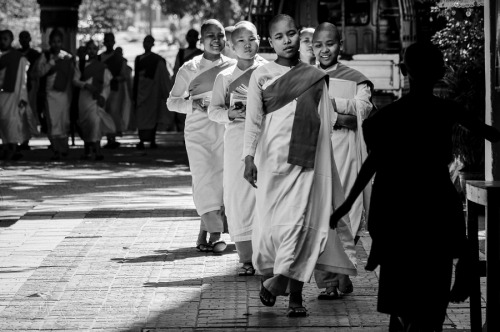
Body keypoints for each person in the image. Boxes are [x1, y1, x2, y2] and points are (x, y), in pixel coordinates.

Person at [330, 42, 500, 332]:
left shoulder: (386, 118)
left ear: (403, 70)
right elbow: (491, 134)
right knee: (432, 298)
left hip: (398, 214)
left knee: (402, 301)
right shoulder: (447, 110)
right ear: (441, 71)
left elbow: (372, 164)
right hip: (436, 208)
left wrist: (345, 205)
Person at [243, 14, 357, 317]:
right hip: (270, 163)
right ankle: (277, 279)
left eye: (292, 34)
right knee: (273, 232)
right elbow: (253, 120)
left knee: (300, 228)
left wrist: (325, 172)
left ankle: (293, 296)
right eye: (279, 36)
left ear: (299, 37)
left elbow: (325, 128)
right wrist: (248, 157)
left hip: (305, 165)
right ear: (271, 42)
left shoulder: (315, 76)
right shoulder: (262, 74)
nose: (287, 40)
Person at [312, 22, 374, 299]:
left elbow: (363, 111)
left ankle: (342, 272)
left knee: (347, 216)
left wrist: (330, 106)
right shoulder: (304, 76)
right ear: (312, 47)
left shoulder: (356, 78)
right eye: (318, 44)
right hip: (314, 157)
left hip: (347, 156)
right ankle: (329, 282)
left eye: (330, 44)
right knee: (319, 218)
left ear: (340, 45)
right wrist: (341, 116)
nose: (325, 50)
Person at [167, 19, 236, 254]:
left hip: (225, 129)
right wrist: (194, 104)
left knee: (222, 180)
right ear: (201, 41)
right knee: (204, 179)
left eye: (220, 35)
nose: (216, 40)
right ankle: (216, 233)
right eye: (210, 36)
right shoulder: (190, 68)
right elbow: (171, 102)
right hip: (198, 132)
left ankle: (205, 232)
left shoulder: (235, 66)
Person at [208, 21, 267, 275]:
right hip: (235, 142)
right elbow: (213, 111)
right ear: (231, 46)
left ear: (259, 40)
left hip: (266, 139)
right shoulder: (225, 76)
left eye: (251, 39)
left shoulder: (269, 71)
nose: (247, 45)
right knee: (237, 195)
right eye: (240, 41)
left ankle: (266, 255)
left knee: (265, 194)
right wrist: (229, 114)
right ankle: (245, 258)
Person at [73, 40, 114, 161]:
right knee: (85, 124)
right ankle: (87, 151)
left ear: (98, 51)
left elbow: (107, 85)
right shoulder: (80, 65)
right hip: (84, 99)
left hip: (97, 100)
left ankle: (97, 150)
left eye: (94, 49)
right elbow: (75, 81)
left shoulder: (102, 67)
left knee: (95, 122)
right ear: (86, 51)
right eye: (89, 49)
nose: (92, 51)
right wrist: (85, 85)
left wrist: (103, 96)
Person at [36, 29, 74, 160]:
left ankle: (64, 148)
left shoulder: (67, 57)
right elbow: (39, 73)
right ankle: (56, 149)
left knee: (64, 121)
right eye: (53, 42)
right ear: (50, 42)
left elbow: (73, 76)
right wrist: (52, 63)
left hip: (63, 94)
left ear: (62, 42)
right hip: (49, 94)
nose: (56, 44)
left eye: (58, 42)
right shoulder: (45, 57)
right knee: (52, 121)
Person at [133, 35, 170, 149]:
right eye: (145, 42)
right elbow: (136, 77)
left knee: (153, 115)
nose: (147, 44)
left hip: (153, 91)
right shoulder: (138, 59)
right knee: (141, 115)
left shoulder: (158, 60)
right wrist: (134, 92)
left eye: (149, 42)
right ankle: (141, 140)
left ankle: (152, 140)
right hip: (141, 91)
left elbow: (163, 76)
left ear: (152, 44)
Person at [0, 29, 29, 160]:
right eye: (0, 38)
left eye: (5, 38)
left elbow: (23, 79)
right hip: (1, 94)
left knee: (11, 120)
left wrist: (23, 97)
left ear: (11, 40)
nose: (2, 41)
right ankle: (5, 146)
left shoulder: (19, 58)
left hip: (13, 95)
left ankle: (13, 147)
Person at [99, 32, 128, 149]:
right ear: (104, 42)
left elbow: (124, 75)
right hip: (103, 89)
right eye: (107, 40)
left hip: (115, 89)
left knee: (114, 112)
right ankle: (108, 137)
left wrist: (115, 78)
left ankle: (113, 137)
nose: (109, 43)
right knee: (105, 112)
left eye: (111, 41)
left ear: (114, 42)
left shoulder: (119, 59)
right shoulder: (100, 57)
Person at [172, 29, 203, 132]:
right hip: (184, 87)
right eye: (190, 36)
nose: (192, 39)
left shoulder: (202, 54)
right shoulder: (181, 53)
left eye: (195, 37)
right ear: (187, 38)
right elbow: (176, 70)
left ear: (198, 39)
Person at [18, 30, 41, 149]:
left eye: (26, 37)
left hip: (31, 87)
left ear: (30, 39)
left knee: (30, 111)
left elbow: (38, 72)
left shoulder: (35, 55)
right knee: (20, 113)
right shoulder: (16, 54)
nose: (24, 40)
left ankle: (28, 138)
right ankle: (22, 139)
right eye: (22, 38)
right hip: (19, 87)